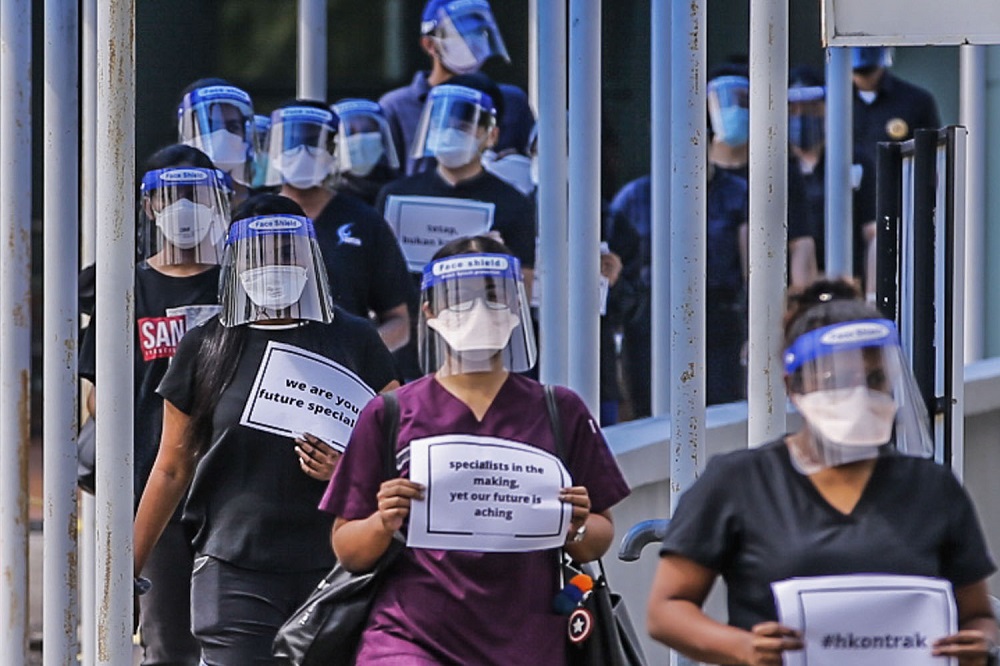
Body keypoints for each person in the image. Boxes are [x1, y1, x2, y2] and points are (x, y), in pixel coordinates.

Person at [647, 278, 999, 666]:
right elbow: (667, 611)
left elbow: (978, 615)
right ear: (793, 385)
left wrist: (978, 643)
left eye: (875, 378)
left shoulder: (933, 489)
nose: (859, 392)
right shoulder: (739, 482)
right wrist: (742, 648)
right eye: (835, 380)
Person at [320, 235, 631, 665]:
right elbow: (347, 549)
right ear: (429, 311)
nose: (480, 310)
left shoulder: (560, 410)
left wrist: (575, 525)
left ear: (517, 308)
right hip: (408, 638)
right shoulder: (389, 414)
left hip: (527, 642)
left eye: (493, 296)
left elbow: (597, 538)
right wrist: (382, 522)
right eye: (461, 298)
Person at [132, 194, 399, 665]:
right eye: (260, 252)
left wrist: (348, 468)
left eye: (286, 250)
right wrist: (126, 568)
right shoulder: (206, 345)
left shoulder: (354, 339)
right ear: (236, 261)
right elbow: (172, 466)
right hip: (234, 568)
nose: (274, 264)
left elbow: (399, 444)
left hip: (337, 567)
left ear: (309, 256)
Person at [80, 144, 232, 666]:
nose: (185, 207)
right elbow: (97, 394)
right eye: (171, 196)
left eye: (198, 194)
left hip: (233, 493)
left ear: (221, 201)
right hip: (156, 493)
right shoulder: (126, 286)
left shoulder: (240, 283)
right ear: (149, 207)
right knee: (168, 644)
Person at [376, 79, 537, 380]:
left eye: (465, 124)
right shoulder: (395, 195)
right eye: (442, 121)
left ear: (492, 135)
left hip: (478, 358)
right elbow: (378, 282)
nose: (450, 131)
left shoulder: (512, 203)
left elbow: (522, 294)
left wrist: (497, 262)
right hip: (407, 356)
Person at [266, 99, 413, 352]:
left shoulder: (365, 222)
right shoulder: (253, 220)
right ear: (273, 148)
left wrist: (355, 357)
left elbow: (399, 321)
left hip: (347, 376)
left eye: (314, 141)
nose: (303, 151)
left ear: (335, 149)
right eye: (293, 141)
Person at [379, 0, 535, 176]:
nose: (472, 43)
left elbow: (536, 169)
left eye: (479, 32)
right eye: (458, 33)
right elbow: (388, 184)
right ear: (429, 44)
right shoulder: (396, 107)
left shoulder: (512, 102)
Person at [707, 64, 818, 289]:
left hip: (759, 300)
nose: (734, 109)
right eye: (725, 100)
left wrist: (801, 305)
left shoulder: (779, 171)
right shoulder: (694, 172)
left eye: (743, 100)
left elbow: (801, 243)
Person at [788, 65, 878, 294]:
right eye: (793, 108)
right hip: (792, 292)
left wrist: (871, 295)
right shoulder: (775, 167)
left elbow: (874, 233)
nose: (802, 115)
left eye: (812, 107)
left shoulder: (854, 159)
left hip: (847, 285)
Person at [851, 47, 941, 167]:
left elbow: (931, 151)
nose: (865, 80)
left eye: (870, 72)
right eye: (859, 73)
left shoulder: (915, 101)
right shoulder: (830, 103)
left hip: (897, 182)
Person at [177, 77, 258, 204]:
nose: (222, 136)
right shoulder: (167, 200)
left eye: (232, 127)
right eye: (209, 126)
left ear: (245, 135)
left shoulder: (266, 208)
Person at [331, 98, 402, 207]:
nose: (360, 139)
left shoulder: (399, 190)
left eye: (367, 130)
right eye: (351, 132)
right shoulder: (323, 196)